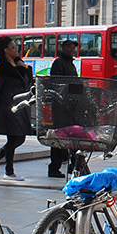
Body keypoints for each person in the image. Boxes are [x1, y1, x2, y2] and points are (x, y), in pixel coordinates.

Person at [0, 35, 31, 180]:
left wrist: (25, 68)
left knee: (20, 137)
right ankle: (9, 171)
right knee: (14, 136)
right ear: (5, 50)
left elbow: (27, 83)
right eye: (13, 47)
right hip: (7, 106)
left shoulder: (18, 65)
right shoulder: (1, 68)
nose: (16, 50)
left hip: (19, 105)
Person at [47, 38, 83, 178]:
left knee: (73, 135)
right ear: (63, 48)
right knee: (59, 135)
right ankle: (54, 167)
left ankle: (74, 165)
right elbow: (57, 83)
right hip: (61, 106)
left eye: (73, 48)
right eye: (69, 47)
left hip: (72, 105)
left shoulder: (71, 64)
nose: (72, 50)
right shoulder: (59, 63)